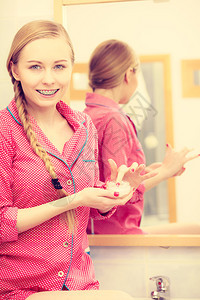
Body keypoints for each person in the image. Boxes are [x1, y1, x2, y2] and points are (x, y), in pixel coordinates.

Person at [0, 21, 156, 300]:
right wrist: (74, 200)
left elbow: (90, 208)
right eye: (35, 67)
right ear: (15, 69)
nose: (49, 79)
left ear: (72, 68)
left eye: (59, 67)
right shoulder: (4, 131)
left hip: (81, 283)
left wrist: (114, 192)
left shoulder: (84, 127)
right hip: (20, 289)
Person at [84, 39, 200, 235]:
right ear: (129, 74)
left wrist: (153, 172)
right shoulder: (114, 119)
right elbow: (117, 190)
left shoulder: (87, 115)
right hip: (117, 236)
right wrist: (165, 171)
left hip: (97, 234)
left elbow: (107, 177)